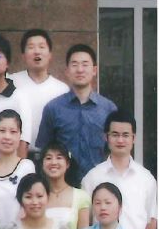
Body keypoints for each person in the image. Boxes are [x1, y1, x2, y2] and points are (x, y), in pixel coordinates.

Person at [35, 44, 115, 182]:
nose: (80, 69)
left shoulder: (108, 109)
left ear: (94, 70)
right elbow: (44, 151)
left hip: (100, 184)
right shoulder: (53, 108)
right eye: (75, 64)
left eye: (85, 64)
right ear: (67, 71)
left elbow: (115, 150)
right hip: (63, 185)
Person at [0, 111, 35, 229]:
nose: (7, 137)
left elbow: (29, 204)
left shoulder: (27, 167)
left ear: (20, 135)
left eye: (13, 132)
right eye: (2, 131)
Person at [39, 142, 91, 229]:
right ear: (42, 164)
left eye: (59, 158)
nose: (53, 162)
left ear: (67, 164)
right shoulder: (36, 196)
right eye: (48, 158)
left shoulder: (81, 196)